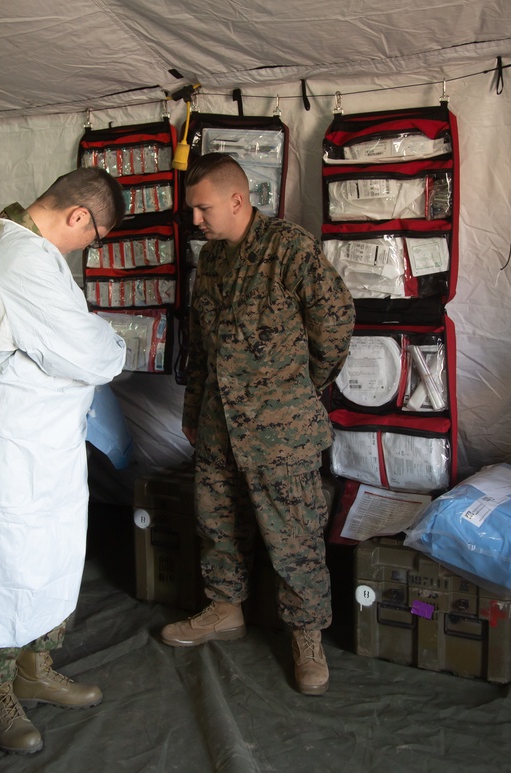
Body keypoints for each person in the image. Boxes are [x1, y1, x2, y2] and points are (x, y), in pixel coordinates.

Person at [0, 167, 127, 754]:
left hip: (39, 437)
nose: (87, 248)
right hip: (8, 439)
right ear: (78, 217)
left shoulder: (30, 249)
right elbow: (88, 351)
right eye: (93, 236)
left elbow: (62, 344)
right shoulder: (20, 255)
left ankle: (34, 667)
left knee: (51, 545)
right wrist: (114, 343)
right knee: (2, 556)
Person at [161, 153, 354, 697]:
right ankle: (225, 609)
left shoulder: (288, 249)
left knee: (293, 535)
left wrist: (302, 384)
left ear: (237, 200)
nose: (195, 220)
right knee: (216, 519)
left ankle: (306, 635)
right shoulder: (214, 262)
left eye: (202, 209)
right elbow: (201, 347)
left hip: (281, 427)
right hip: (220, 423)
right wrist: (195, 410)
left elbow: (335, 321)